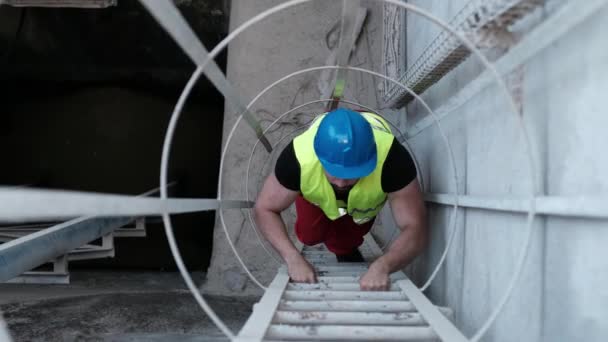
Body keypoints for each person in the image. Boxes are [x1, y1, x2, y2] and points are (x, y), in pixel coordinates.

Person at [254, 108, 427, 291]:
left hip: (362, 206)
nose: (342, 182)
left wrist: (383, 265)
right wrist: (292, 258)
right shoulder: (298, 158)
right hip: (318, 198)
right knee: (309, 235)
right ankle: (331, 236)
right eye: (334, 173)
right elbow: (264, 208)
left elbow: (415, 227)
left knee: (346, 242)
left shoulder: (393, 159)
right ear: (319, 157)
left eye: (353, 174)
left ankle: (344, 249)